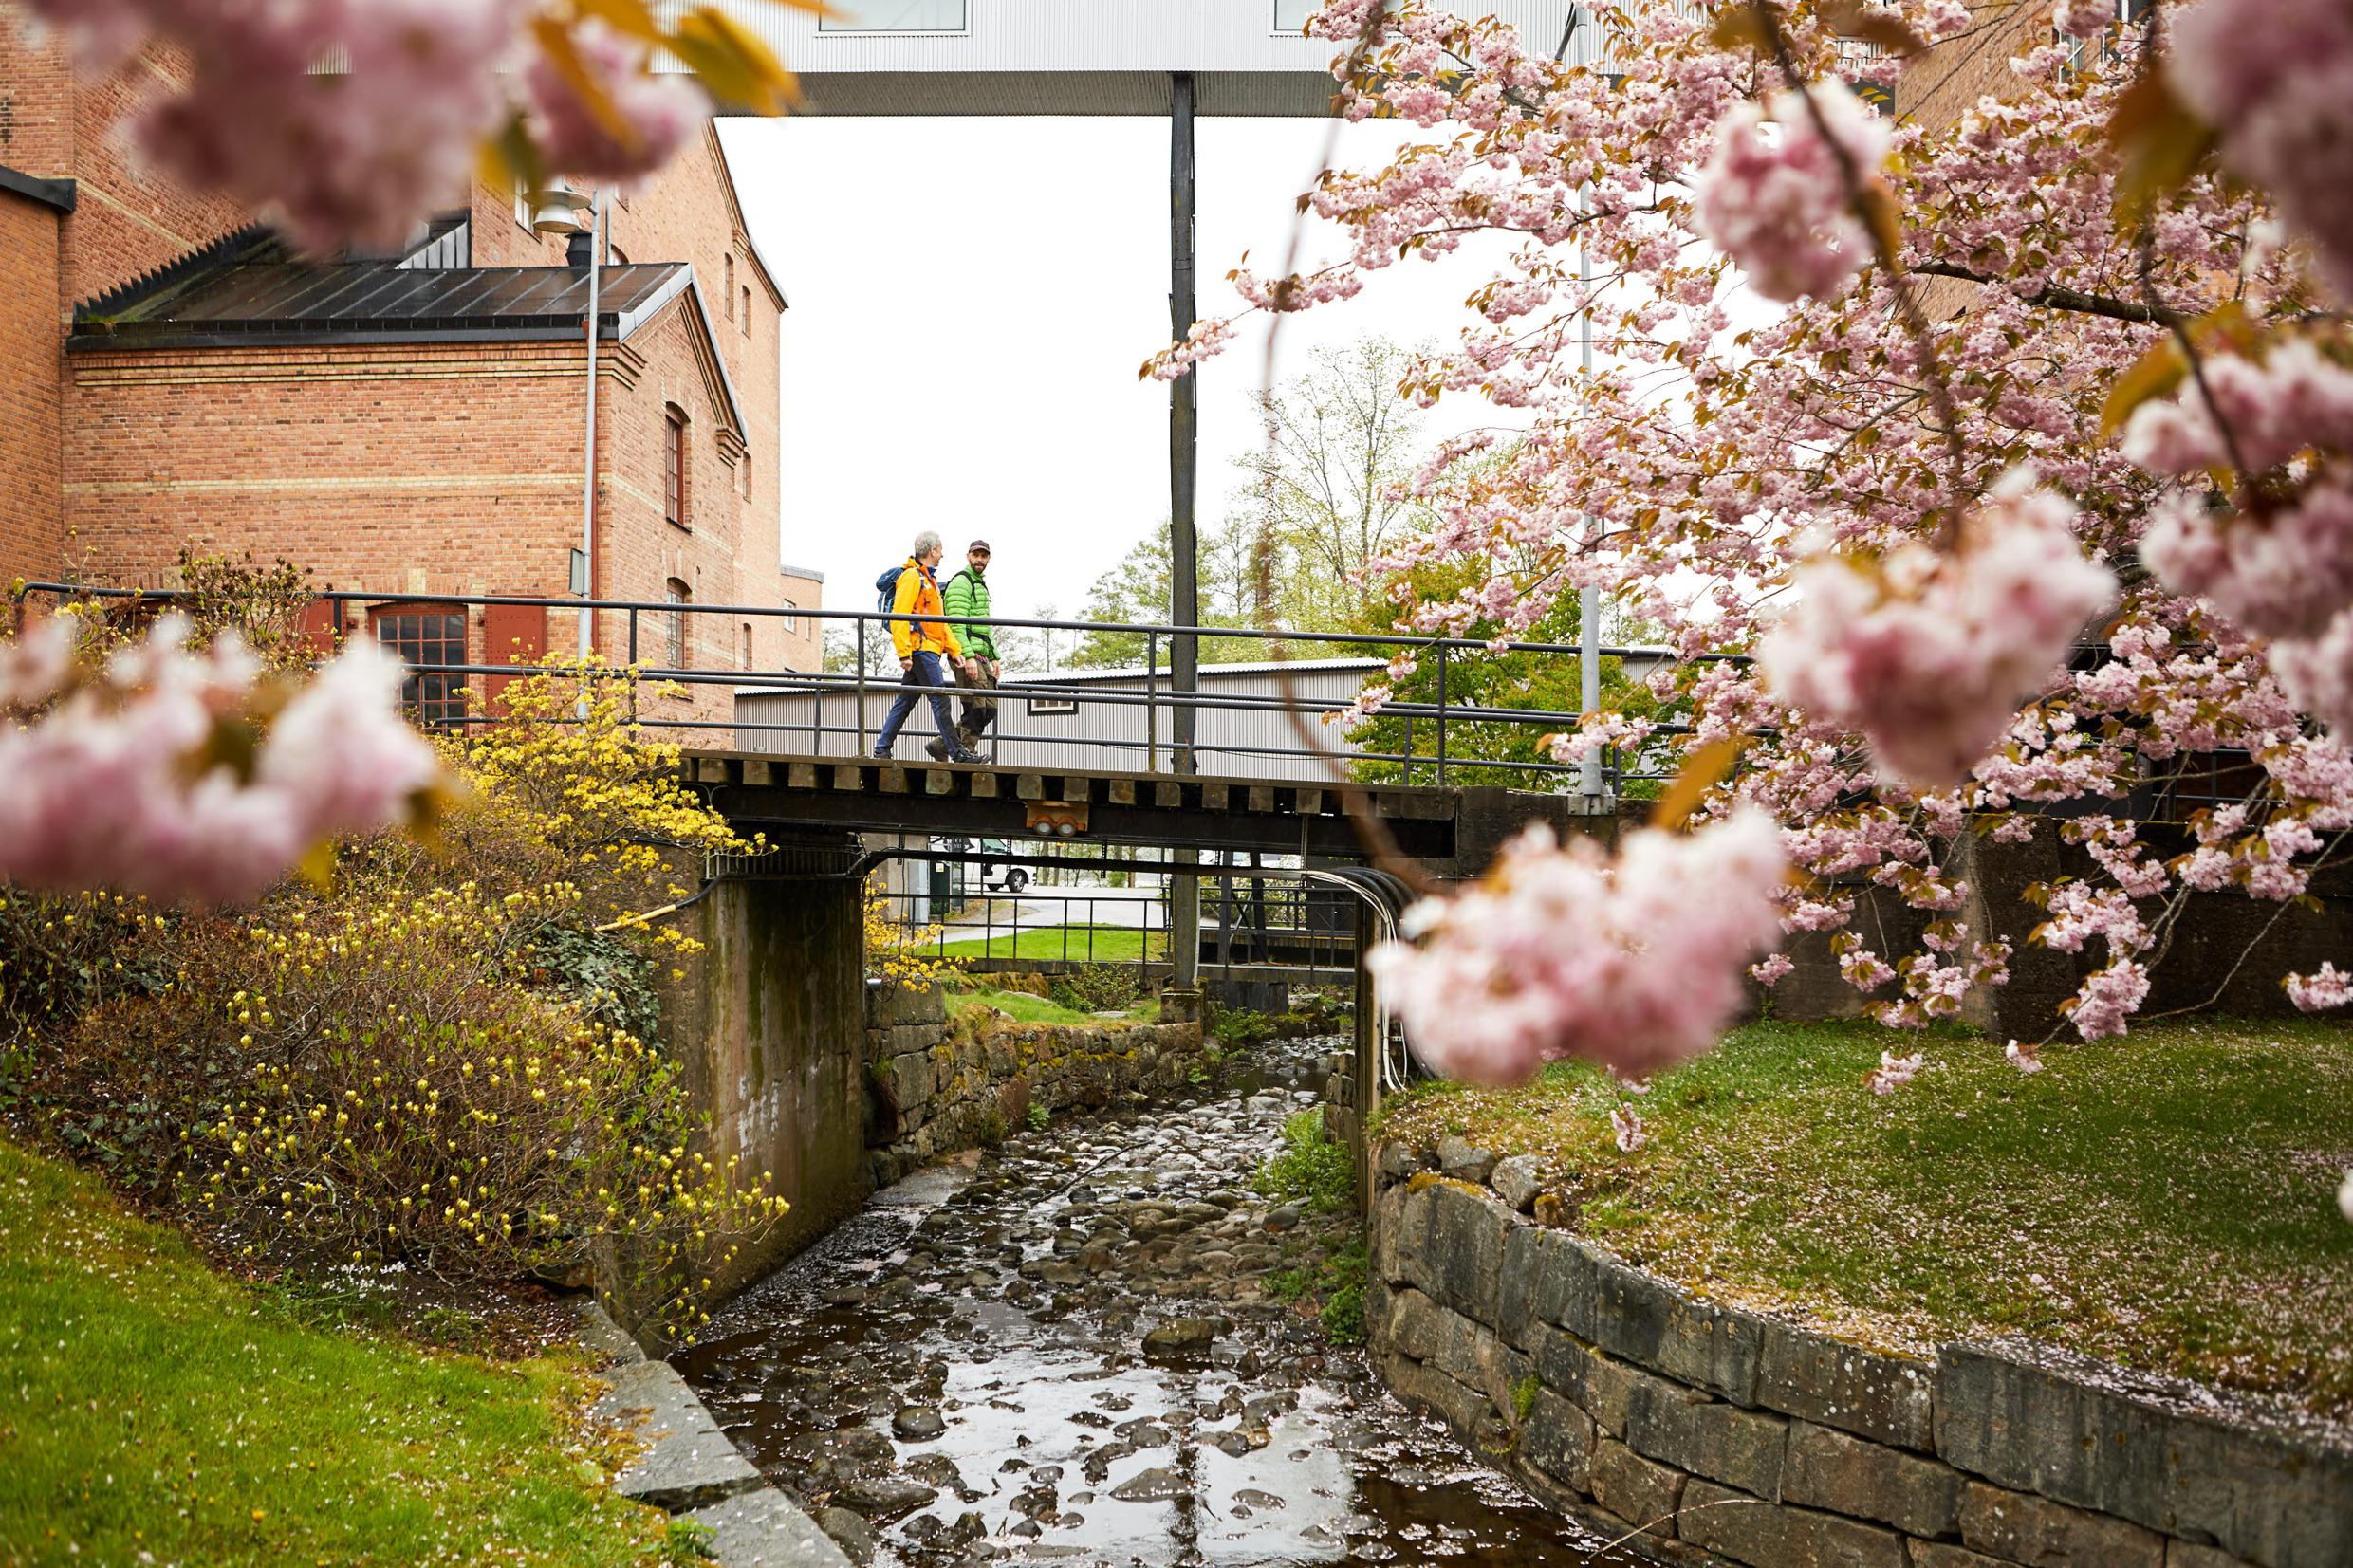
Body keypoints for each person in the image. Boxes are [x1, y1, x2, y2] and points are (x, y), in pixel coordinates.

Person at [873, 530, 984, 763]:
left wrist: (954, 649)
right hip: (921, 650)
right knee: (940, 699)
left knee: (905, 701)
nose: (942, 555)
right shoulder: (913, 577)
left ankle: (882, 748)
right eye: (940, 550)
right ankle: (957, 753)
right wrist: (904, 653)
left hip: (927, 649)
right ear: (932, 550)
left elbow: (940, 624)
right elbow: (900, 616)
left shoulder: (929, 581)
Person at [936, 538, 1000, 761]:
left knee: (989, 708)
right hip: (965, 653)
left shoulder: (979, 583)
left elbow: (982, 625)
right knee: (976, 708)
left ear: (988, 558)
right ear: (968, 556)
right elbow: (956, 624)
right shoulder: (962, 583)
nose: (980, 559)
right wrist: (968, 656)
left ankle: (941, 745)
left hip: (980, 653)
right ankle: (965, 754)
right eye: (976, 555)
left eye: (984, 556)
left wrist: (995, 657)